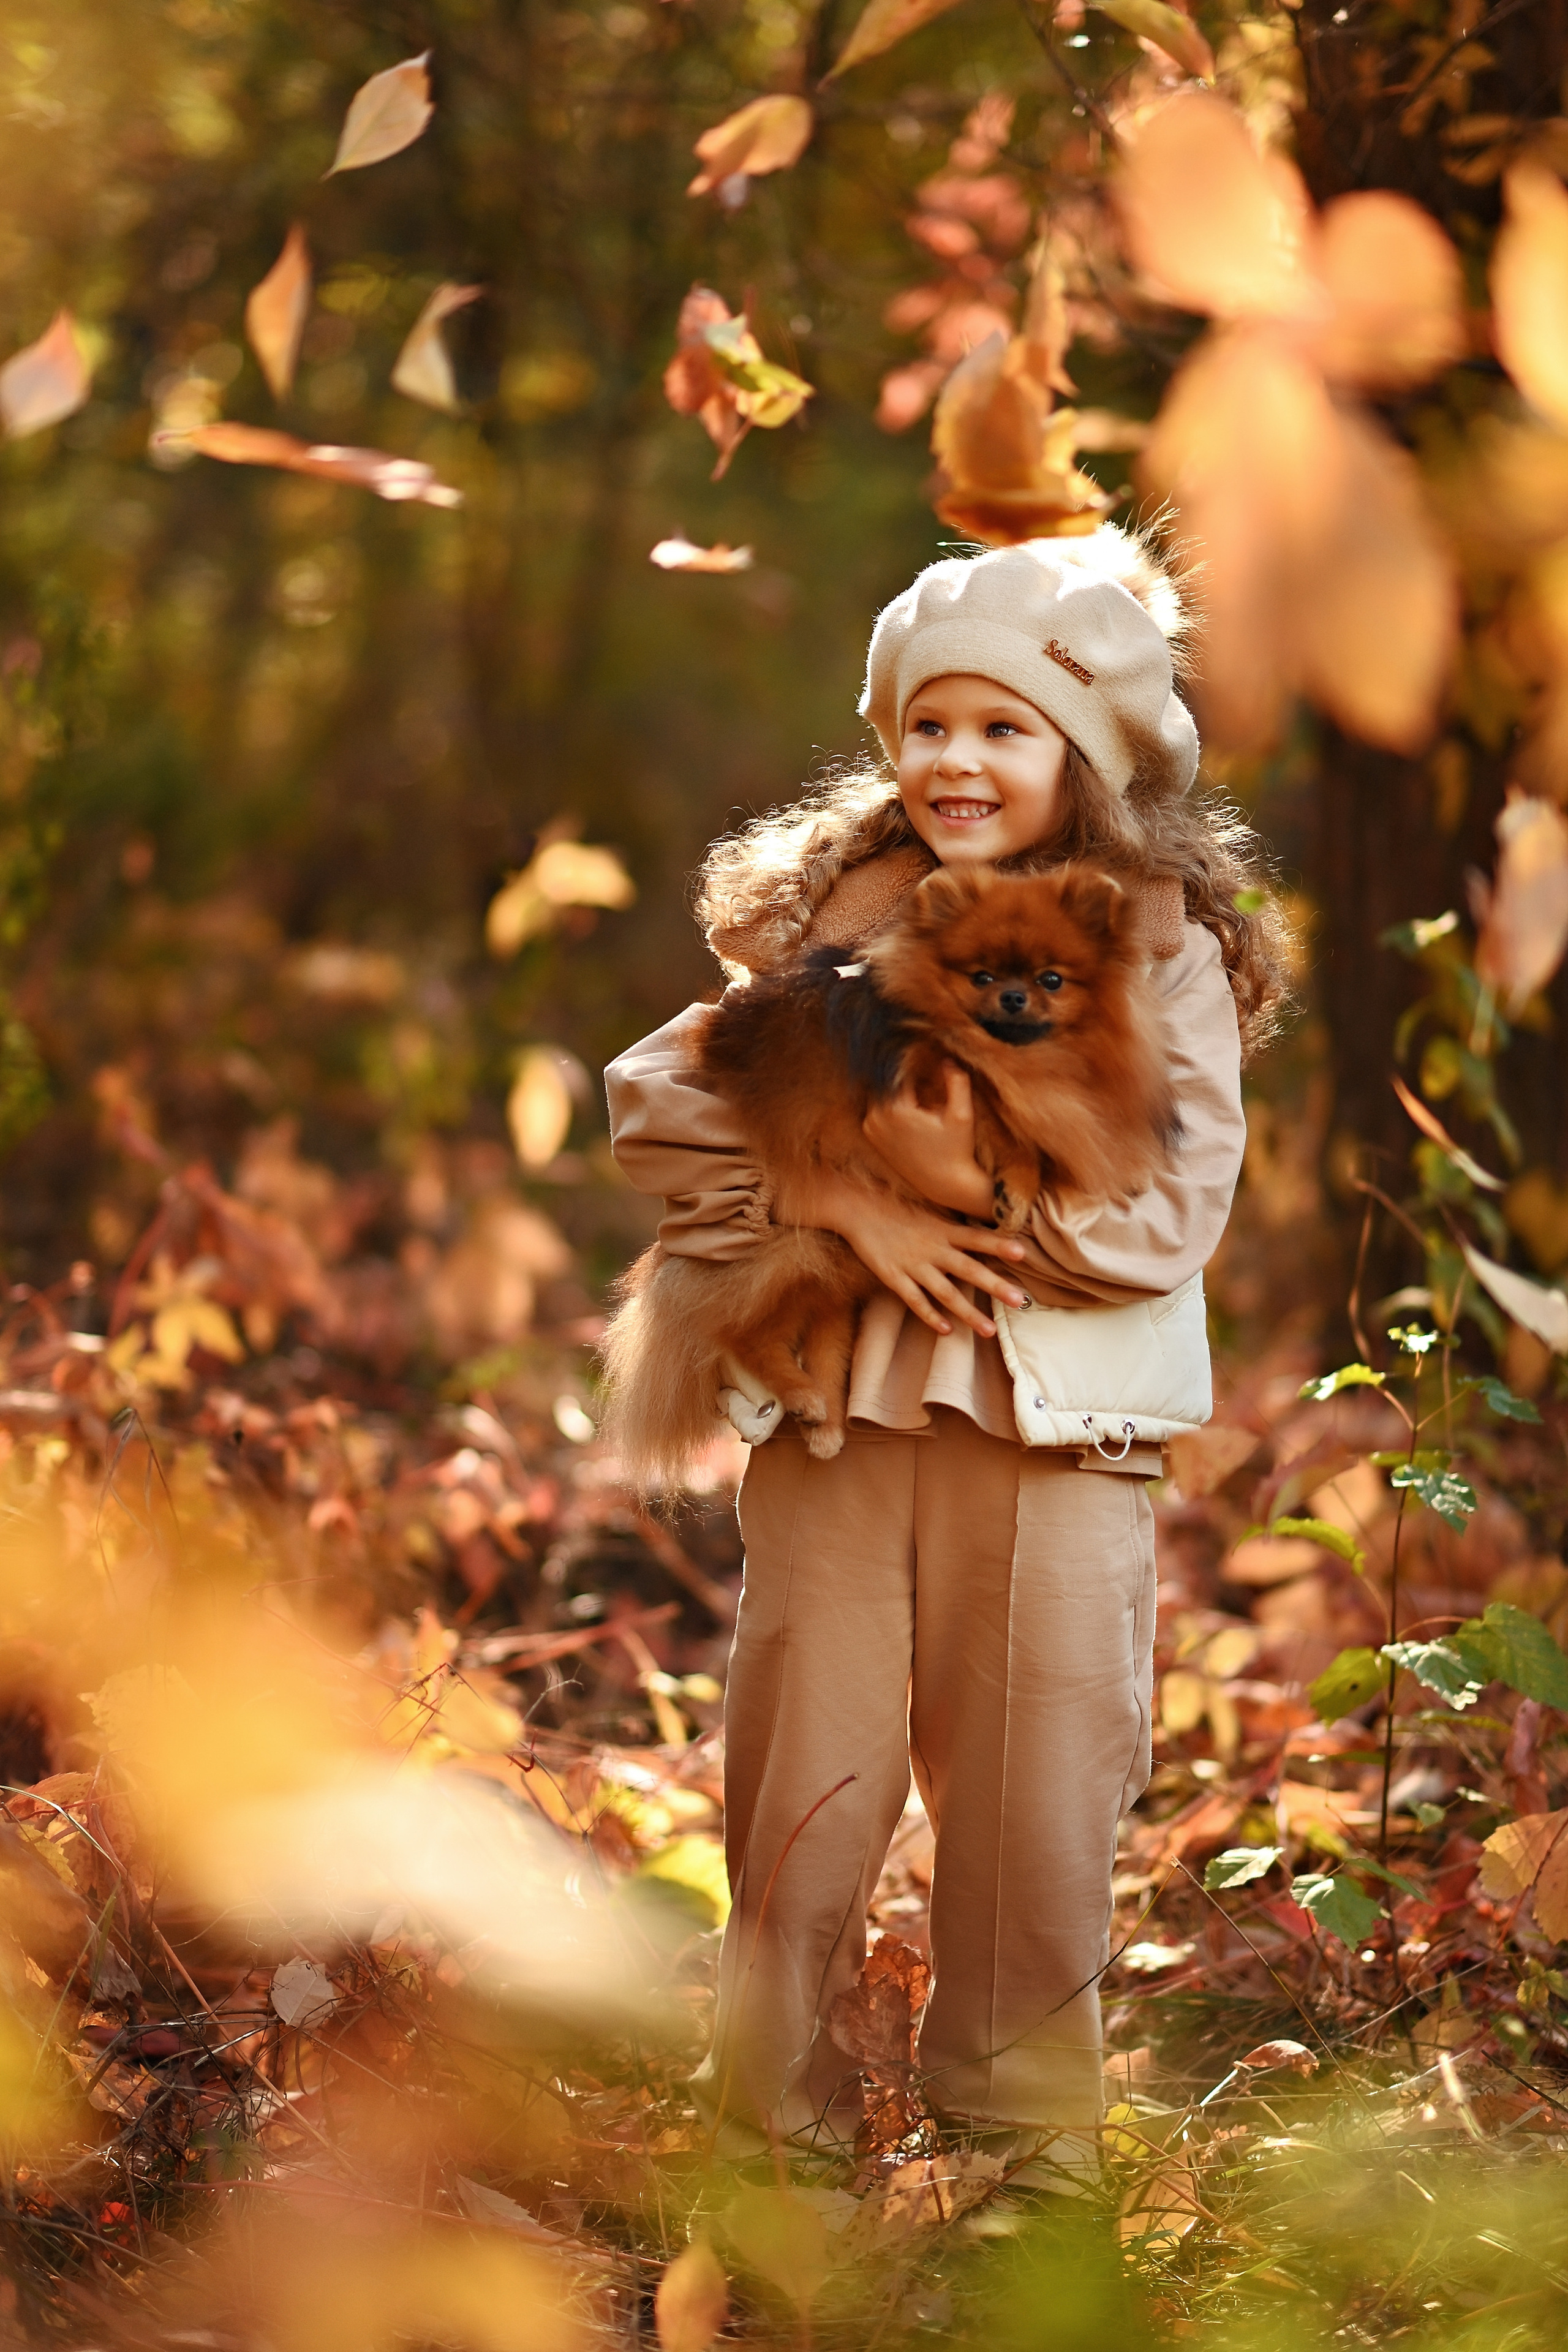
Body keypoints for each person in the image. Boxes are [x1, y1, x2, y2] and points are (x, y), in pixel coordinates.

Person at [604, 528, 1289, 2184]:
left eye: (1005, 728)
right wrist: (848, 1212)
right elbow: (662, 1100)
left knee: (1035, 1791)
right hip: (843, 1421)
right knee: (803, 1774)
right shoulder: (834, 915)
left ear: (1092, 753)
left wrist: (935, 1181)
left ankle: (1021, 2157)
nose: (958, 761)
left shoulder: (1162, 942)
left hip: (1059, 1443)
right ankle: (773, 2140)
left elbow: (1166, 1206)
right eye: (929, 726)